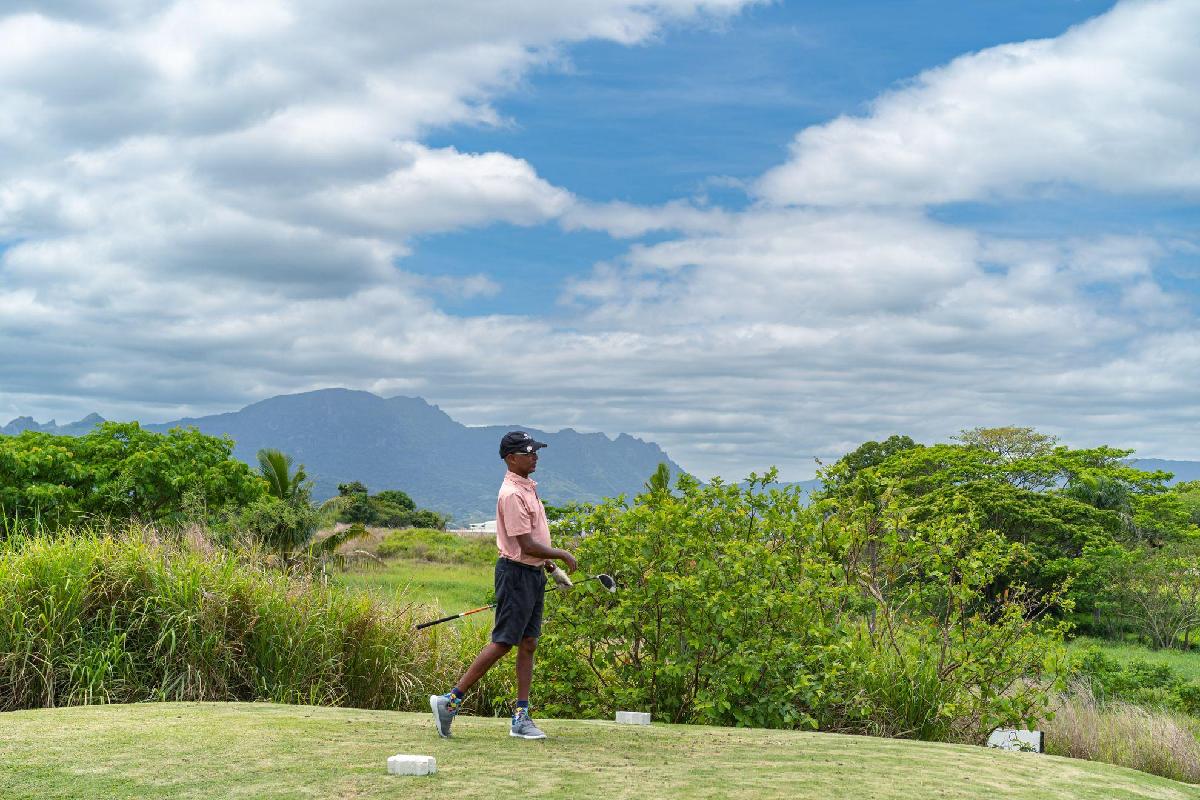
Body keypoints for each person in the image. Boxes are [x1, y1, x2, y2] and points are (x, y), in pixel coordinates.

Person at [430, 430, 577, 740]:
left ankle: (521, 716)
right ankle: (450, 701)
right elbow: (524, 545)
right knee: (504, 642)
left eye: (536, 451)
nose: (535, 456)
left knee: (529, 642)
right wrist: (562, 554)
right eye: (528, 452)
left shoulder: (527, 488)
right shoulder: (511, 493)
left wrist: (550, 568)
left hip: (532, 574)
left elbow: (534, 541)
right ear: (512, 458)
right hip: (515, 575)